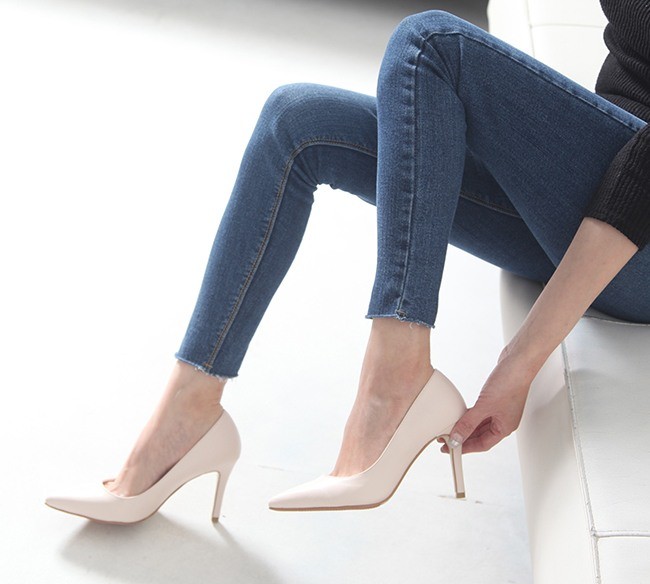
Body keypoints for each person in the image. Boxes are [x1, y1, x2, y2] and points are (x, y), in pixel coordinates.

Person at [45, 1, 649, 523]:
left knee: (430, 44)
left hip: (637, 237)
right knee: (296, 120)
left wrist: (517, 364)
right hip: (595, 192)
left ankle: (397, 378)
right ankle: (188, 411)